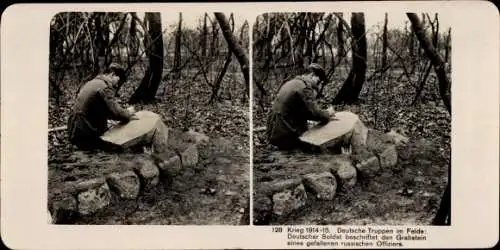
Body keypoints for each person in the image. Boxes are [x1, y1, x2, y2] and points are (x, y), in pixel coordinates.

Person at [67, 63, 138, 151]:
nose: (117, 86)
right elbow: (117, 113)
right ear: (112, 74)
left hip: (75, 129)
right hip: (86, 132)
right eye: (118, 82)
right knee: (116, 150)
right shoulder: (104, 88)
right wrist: (128, 113)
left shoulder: (93, 82)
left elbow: (106, 111)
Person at [266, 63, 335, 150]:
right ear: (312, 75)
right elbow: (314, 113)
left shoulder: (292, 82)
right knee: (317, 150)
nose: (318, 85)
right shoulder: (305, 87)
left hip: (274, 132)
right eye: (319, 81)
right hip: (286, 136)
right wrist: (328, 113)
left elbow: (300, 111)